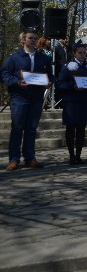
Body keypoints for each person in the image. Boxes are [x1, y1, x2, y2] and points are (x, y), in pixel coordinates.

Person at [2, 31, 53, 170]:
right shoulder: (14, 58)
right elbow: (4, 75)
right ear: (23, 40)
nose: (33, 40)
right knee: (17, 128)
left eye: (35, 39)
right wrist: (17, 82)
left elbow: (50, 75)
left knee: (31, 129)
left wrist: (49, 82)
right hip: (19, 97)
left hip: (36, 97)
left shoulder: (43, 58)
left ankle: (30, 158)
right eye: (30, 38)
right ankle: (14, 159)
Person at [56, 40, 87, 165]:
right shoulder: (68, 67)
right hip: (71, 102)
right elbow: (60, 84)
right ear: (74, 53)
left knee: (82, 129)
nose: (82, 55)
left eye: (84, 53)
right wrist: (73, 86)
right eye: (80, 53)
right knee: (71, 129)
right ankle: (71, 155)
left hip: (84, 101)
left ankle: (78, 155)